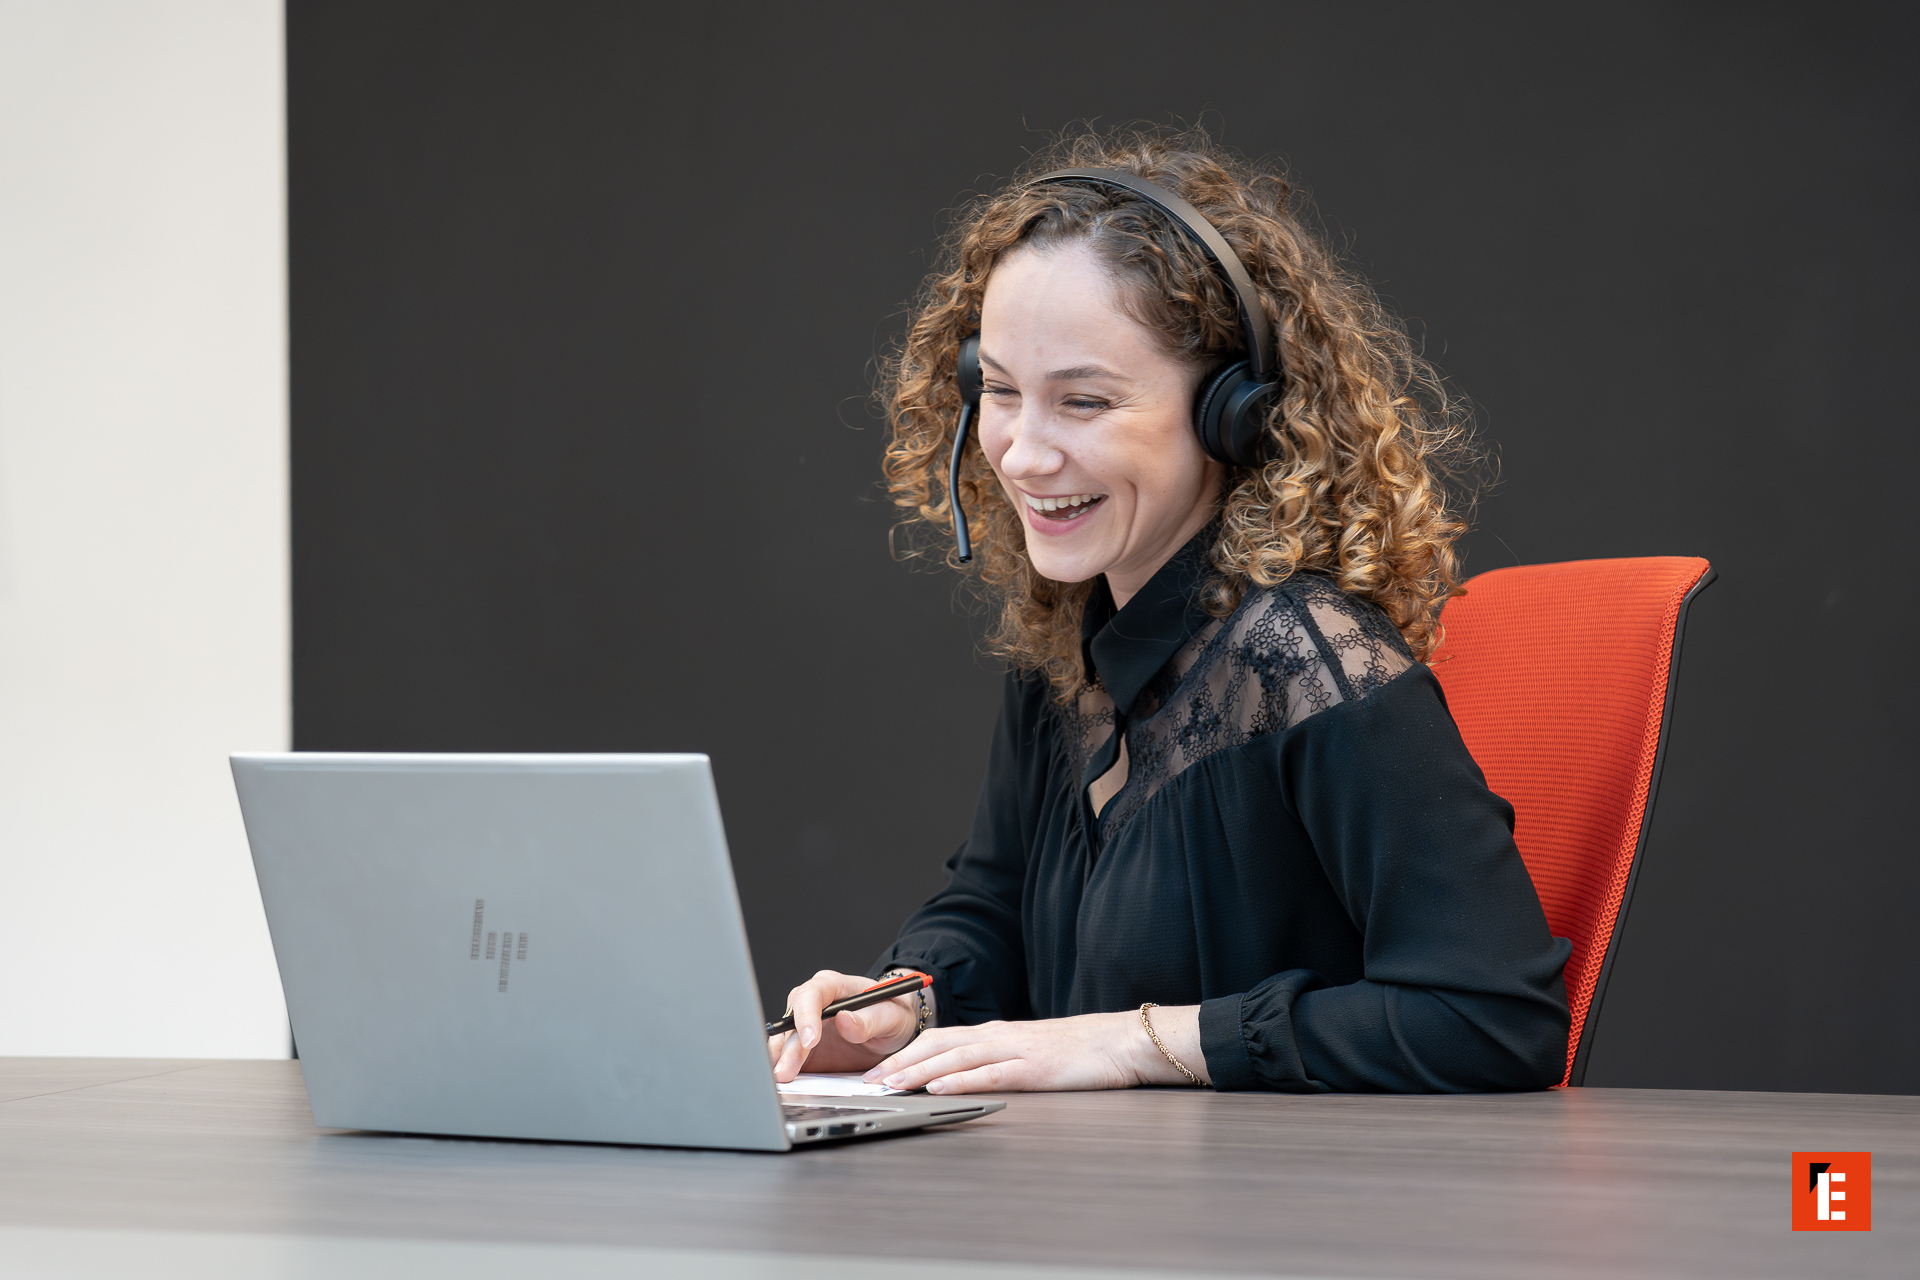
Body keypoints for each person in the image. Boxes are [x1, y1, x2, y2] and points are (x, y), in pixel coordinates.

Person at [769, 128, 1571, 1096]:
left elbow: (1493, 1018)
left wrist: (1136, 1041)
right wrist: (906, 1003)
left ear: (1230, 412)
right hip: (1104, 1212)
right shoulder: (1070, 639)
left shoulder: (1310, 662)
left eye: (1084, 402)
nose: (1021, 453)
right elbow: (994, 900)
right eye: (1001, 392)